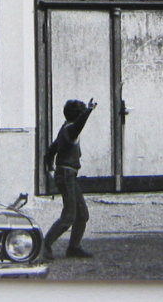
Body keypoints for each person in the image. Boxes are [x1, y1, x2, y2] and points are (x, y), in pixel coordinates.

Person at [42, 98, 97, 260]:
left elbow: (51, 149)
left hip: (67, 174)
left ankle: (74, 248)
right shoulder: (72, 129)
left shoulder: (65, 128)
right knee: (69, 216)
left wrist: (49, 166)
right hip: (66, 175)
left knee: (82, 214)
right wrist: (89, 110)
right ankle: (45, 246)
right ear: (77, 116)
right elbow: (80, 124)